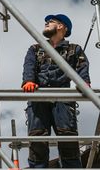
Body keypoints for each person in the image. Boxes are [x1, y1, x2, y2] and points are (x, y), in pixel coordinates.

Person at [21, 14, 91, 168]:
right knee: (37, 139)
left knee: (68, 139)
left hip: (63, 98)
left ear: (61, 27)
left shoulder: (74, 49)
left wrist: (83, 84)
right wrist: (29, 81)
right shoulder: (36, 49)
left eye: (51, 22)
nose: (46, 23)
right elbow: (29, 66)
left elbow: (82, 68)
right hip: (39, 97)